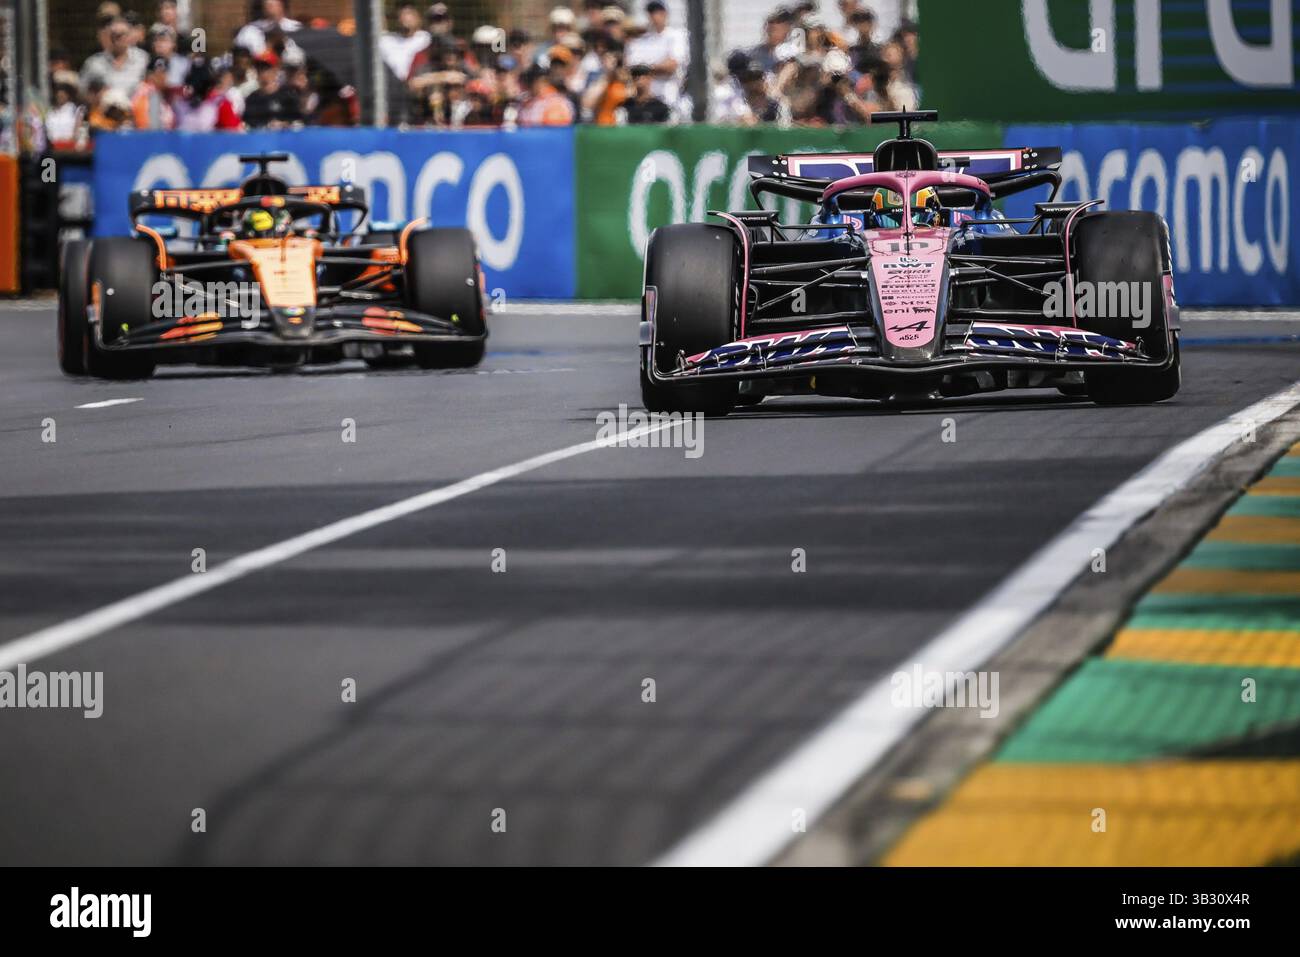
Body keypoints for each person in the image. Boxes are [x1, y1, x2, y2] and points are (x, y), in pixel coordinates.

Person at [625, 0, 687, 113]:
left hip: (669, 98)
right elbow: (631, 67)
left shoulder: (675, 35)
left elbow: (672, 65)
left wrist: (645, 68)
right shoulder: (642, 40)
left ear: (665, 14)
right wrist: (655, 67)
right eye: (651, 13)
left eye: (658, 12)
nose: (654, 16)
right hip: (644, 99)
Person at [80, 16, 149, 99]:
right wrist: (95, 96)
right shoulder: (94, 63)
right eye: (115, 35)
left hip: (135, 109)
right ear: (108, 37)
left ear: (129, 36)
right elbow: (82, 91)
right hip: (105, 109)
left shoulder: (142, 58)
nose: (120, 39)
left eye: (123, 34)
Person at [171, 57, 242, 131]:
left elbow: (235, 132)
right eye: (193, 80)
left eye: (201, 81)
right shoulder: (178, 104)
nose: (197, 84)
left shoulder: (220, 103)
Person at [242, 54, 302, 128]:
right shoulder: (251, 99)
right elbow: (247, 125)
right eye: (259, 69)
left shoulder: (288, 95)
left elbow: (299, 122)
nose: (262, 72)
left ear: (275, 70)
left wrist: (284, 124)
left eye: (265, 68)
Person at [380, 2, 431, 81]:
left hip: (417, 85)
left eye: (408, 13)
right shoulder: (386, 40)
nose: (404, 16)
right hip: (390, 86)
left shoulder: (426, 38)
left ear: (418, 18)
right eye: (401, 13)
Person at [234, 0, 302, 57]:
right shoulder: (249, 31)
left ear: (282, 4)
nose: (270, 5)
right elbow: (238, 56)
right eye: (267, 4)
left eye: (274, 3)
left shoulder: (296, 27)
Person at [131, 55, 175, 129]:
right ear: (149, 75)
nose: (162, 76)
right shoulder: (144, 92)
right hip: (149, 137)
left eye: (164, 72)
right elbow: (145, 124)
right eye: (157, 73)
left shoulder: (165, 92)